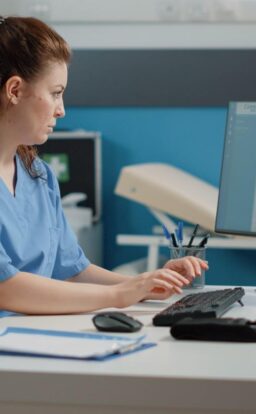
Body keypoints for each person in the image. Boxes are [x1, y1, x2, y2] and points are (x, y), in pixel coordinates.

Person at [0, 16, 208, 316]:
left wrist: (147, 283)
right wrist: (120, 294)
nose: (62, 109)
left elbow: (71, 270)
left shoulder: (39, 176)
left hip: (37, 336)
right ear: (15, 90)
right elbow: (7, 287)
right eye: (56, 92)